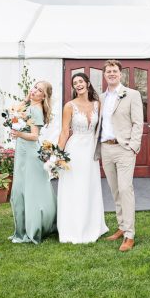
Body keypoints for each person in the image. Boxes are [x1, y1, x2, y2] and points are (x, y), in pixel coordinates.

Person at [97, 59, 144, 252]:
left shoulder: (132, 94)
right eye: (108, 71)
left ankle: (129, 234)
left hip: (124, 148)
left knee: (126, 189)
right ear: (105, 74)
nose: (111, 74)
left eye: (114, 71)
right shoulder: (100, 98)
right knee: (115, 190)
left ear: (120, 73)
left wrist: (133, 146)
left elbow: (138, 122)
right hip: (106, 149)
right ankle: (121, 226)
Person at [56, 73, 108, 244]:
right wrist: (57, 155)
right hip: (74, 150)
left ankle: (92, 225)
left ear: (87, 83)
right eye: (75, 83)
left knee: (90, 187)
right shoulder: (69, 106)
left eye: (80, 81)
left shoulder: (97, 105)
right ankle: (72, 228)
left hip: (91, 152)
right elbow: (65, 131)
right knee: (74, 187)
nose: (78, 84)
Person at [10, 81, 58, 243]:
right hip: (23, 152)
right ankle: (23, 227)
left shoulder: (36, 110)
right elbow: (15, 110)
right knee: (21, 190)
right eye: (34, 87)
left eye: (39, 90)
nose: (34, 90)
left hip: (29, 153)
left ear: (44, 96)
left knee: (29, 191)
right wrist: (26, 98)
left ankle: (34, 228)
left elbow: (34, 136)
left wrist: (18, 133)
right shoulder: (29, 106)